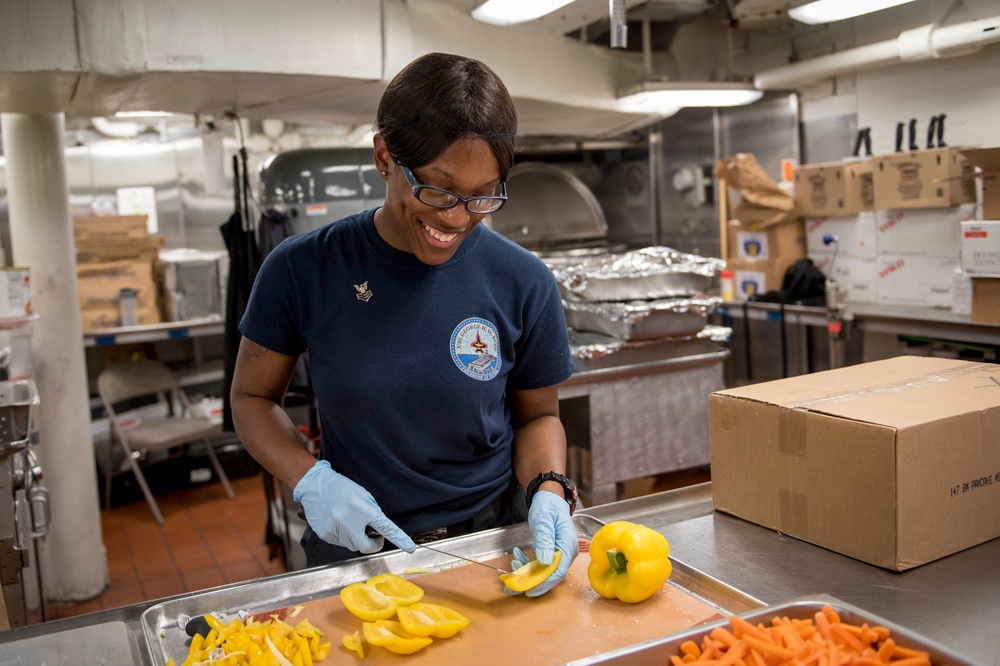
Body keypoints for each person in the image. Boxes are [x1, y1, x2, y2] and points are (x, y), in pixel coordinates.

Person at [231, 52, 578, 596]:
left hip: (489, 541)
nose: (457, 217)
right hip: (357, 546)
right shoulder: (303, 269)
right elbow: (251, 400)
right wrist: (310, 479)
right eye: (437, 190)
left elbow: (539, 418)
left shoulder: (522, 280)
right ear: (384, 158)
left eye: (483, 196)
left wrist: (549, 486)